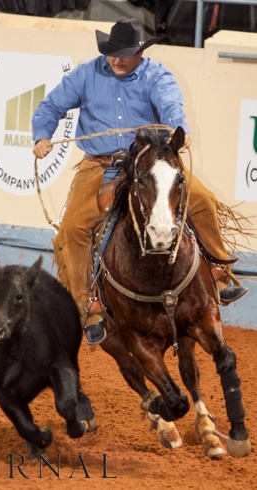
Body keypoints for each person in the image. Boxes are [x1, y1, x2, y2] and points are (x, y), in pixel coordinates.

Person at [32, 17, 247, 346]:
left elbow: (170, 104)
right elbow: (51, 106)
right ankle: (87, 307)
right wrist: (42, 136)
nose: (118, 59)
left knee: (201, 199)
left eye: (125, 53)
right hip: (99, 165)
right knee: (71, 230)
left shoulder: (156, 76)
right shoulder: (86, 74)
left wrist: (178, 128)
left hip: (150, 161)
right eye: (113, 53)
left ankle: (220, 270)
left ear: (139, 53)